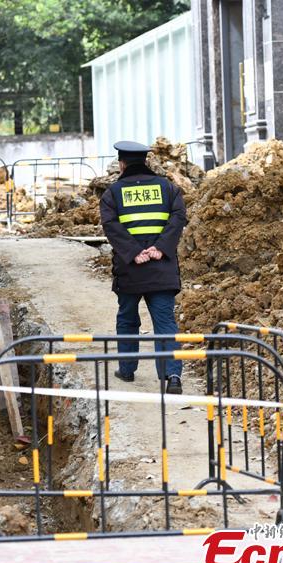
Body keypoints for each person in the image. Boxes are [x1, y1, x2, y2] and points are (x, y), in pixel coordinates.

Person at [99, 140, 187, 394]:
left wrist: (134, 252)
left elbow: (111, 226)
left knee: (127, 319)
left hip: (130, 270)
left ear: (122, 164)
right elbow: (178, 217)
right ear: (146, 162)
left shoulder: (112, 193)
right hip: (161, 268)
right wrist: (160, 247)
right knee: (165, 322)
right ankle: (172, 376)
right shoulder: (169, 188)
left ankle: (126, 370)